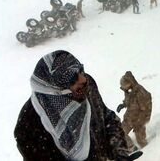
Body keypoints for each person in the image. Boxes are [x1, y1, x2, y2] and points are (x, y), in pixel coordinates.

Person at [14, 50, 142, 160]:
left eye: (80, 70)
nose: (83, 79)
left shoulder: (86, 87)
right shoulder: (28, 127)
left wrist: (118, 152)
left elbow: (106, 117)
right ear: (54, 89)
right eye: (72, 78)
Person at [117, 71, 152, 150]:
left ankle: (150, 152)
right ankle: (132, 148)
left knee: (141, 140)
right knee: (120, 132)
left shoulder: (140, 92)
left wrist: (139, 122)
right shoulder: (128, 91)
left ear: (129, 83)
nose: (124, 87)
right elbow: (129, 101)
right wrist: (123, 104)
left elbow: (145, 109)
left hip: (138, 120)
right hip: (129, 118)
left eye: (125, 85)